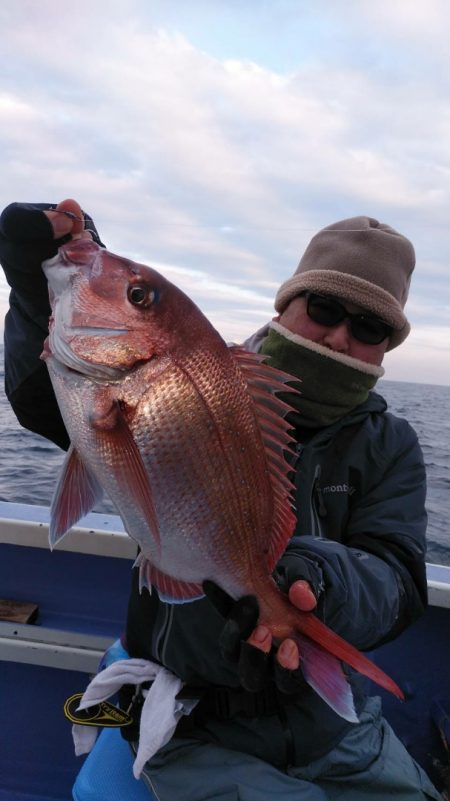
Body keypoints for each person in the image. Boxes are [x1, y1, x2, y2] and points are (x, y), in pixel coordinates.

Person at [0, 200, 443, 800]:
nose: (340, 335)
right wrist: (36, 290)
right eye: (325, 308)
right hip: (192, 716)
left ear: (387, 347)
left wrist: (315, 582)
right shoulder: (205, 378)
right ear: (285, 306)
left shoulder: (391, 444)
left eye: (369, 327)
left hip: (334, 729)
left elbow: (399, 580)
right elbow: (43, 397)